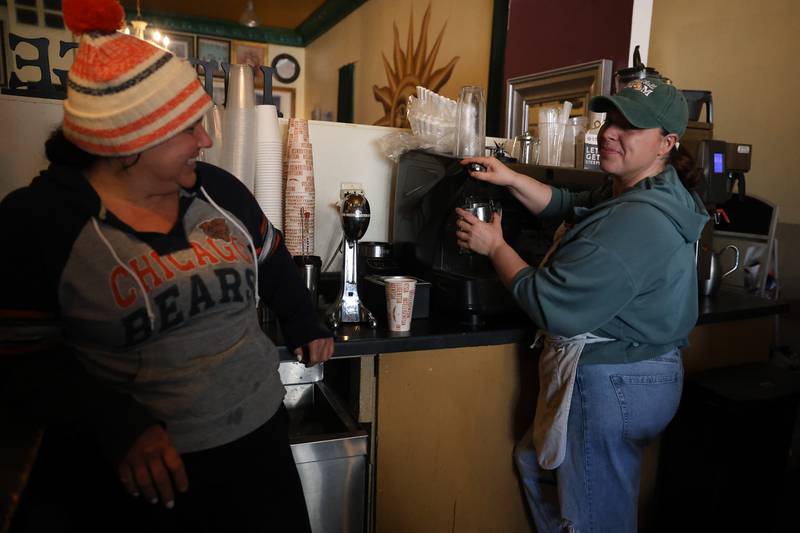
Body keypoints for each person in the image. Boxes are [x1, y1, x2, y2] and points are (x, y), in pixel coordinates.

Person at [0, 0, 332, 531]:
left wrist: (303, 319)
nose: (206, 140)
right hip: (152, 479)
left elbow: (271, 260)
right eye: (188, 128)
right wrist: (116, 422)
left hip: (261, 448)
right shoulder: (39, 222)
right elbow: (22, 362)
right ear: (127, 140)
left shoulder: (219, 192)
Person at [456, 78, 709, 532]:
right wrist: (511, 177)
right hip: (643, 370)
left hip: (615, 382)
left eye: (629, 126)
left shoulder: (638, 219)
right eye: (610, 120)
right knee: (535, 464)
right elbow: (570, 206)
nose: (609, 132)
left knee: (596, 518)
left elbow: (549, 302)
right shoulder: (643, 189)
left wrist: (493, 246)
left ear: (666, 143)